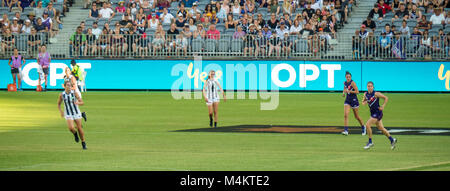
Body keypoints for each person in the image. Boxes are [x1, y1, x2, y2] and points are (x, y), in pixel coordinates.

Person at [362, 81, 397, 150]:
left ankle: (370, 142)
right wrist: (365, 102)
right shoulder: (365, 94)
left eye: (371, 86)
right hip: (372, 113)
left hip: (378, 112)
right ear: (367, 87)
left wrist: (383, 106)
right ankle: (392, 139)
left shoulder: (376, 93)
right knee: (381, 128)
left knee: (367, 125)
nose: (369, 87)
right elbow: (363, 102)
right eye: (368, 86)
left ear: (373, 87)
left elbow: (386, 98)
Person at [57, 80, 87, 150]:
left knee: (79, 128)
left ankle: (83, 143)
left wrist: (77, 103)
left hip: (76, 113)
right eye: (68, 85)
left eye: (70, 85)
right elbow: (58, 104)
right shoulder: (62, 95)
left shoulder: (75, 93)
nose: (69, 87)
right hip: (68, 113)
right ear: (64, 86)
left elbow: (82, 102)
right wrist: (61, 111)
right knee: (71, 128)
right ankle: (75, 134)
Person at [341, 71, 366, 136]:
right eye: (347, 77)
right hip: (347, 100)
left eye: (349, 77)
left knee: (356, 116)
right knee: (346, 115)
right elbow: (344, 88)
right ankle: (346, 130)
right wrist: (343, 93)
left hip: (354, 100)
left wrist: (349, 91)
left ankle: (363, 127)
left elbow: (357, 91)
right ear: (345, 77)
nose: (348, 78)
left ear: (351, 77)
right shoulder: (345, 83)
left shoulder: (353, 83)